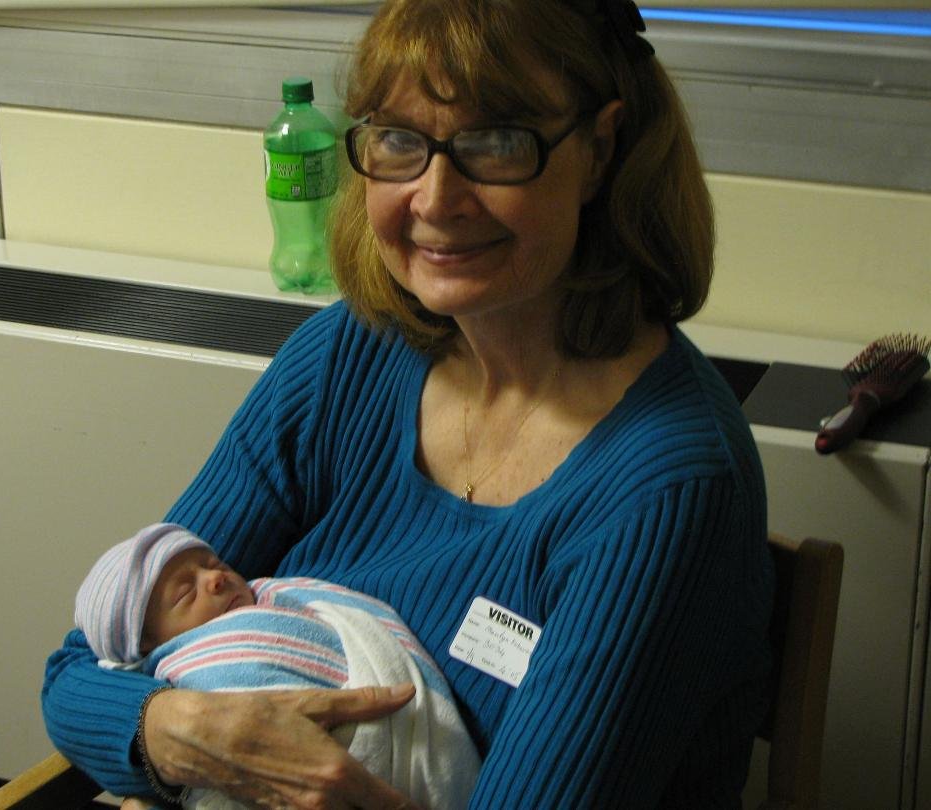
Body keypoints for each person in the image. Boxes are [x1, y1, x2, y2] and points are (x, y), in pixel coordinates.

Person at [42, 0, 774, 807]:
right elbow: (84, 667)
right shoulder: (343, 358)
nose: (434, 199)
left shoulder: (668, 487)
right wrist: (184, 734)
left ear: (600, 150)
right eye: (398, 140)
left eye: (496, 143)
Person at [73, 522, 479, 810]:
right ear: (145, 646)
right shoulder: (185, 667)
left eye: (214, 564)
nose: (214, 579)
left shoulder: (279, 598)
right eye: (185, 593)